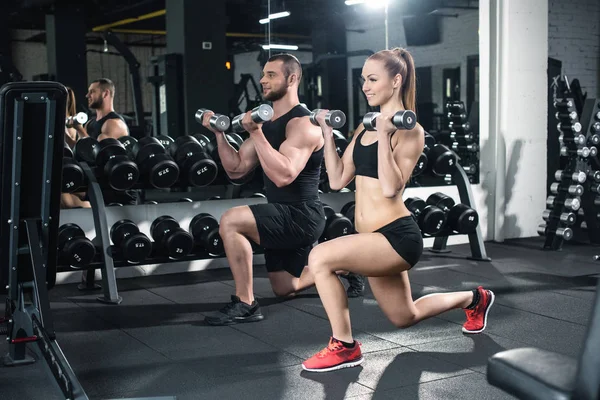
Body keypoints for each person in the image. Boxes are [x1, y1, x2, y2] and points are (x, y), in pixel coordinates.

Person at [301, 48, 495, 372]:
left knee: (319, 258)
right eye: (363, 79)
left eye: (372, 79)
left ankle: (344, 346)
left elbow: (392, 188)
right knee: (405, 316)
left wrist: (386, 134)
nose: (365, 86)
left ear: (396, 80)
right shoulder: (364, 129)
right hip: (371, 238)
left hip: (396, 238)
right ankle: (475, 299)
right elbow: (336, 180)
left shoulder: (411, 131)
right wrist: (325, 132)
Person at [201, 53, 362, 326]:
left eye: (271, 75)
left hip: (302, 216)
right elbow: (236, 170)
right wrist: (218, 134)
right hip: (281, 214)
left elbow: (284, 176)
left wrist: (255, 133)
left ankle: (246, 303)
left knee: (231, 220)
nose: (263, 80)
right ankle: (345, 266)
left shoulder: (303, 125)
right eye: (263, 74)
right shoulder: (267, 124)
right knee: (284, 288)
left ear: (292, 79)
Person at [61, 86, 90, 209]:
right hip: (66, 169)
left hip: (72, 168)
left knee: (69, 202)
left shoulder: (72, 124)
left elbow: (87, 147)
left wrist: (79, 128)